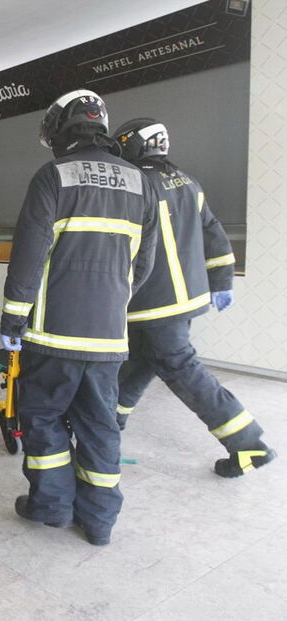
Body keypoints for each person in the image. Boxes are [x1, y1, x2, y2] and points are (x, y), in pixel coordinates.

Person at [0, 90, 158, 546]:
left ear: (60, 126)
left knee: (43, 418)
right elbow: (142, 265)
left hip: (53, 336)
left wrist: (13, 318)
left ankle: (50, 506)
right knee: (99, 426)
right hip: (109, 338)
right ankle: (100, 521)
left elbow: (28, 256)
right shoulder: (140, 182)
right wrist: (112, 305)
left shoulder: (54, 176)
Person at [112, 118, 277, 477]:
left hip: (152, 302)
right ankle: (108, 428)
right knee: (141, 362)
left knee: (182, 370)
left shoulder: (135, 186)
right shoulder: (188, 182)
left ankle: (249, 444)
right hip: (184, 300)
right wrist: (222, 281)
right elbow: (214, 234)